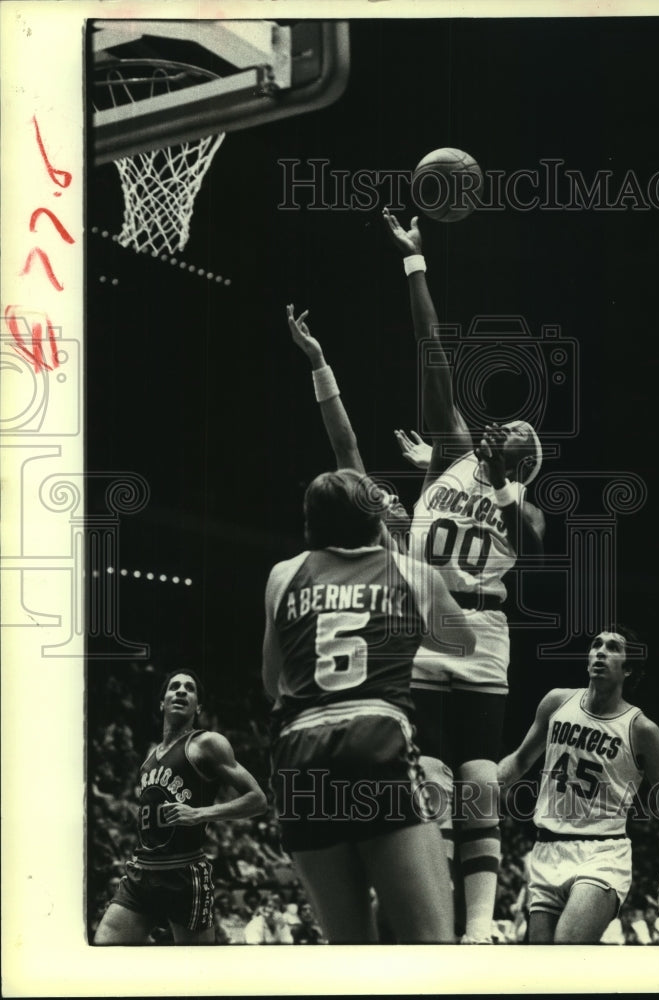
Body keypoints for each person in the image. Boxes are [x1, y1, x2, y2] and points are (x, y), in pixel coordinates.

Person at [383, 207, 546, 943]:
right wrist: (415, 263)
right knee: (433, 780)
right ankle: (434, 914)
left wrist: (511, 484)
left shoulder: (527, 509)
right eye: (502, 426)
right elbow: (432, 352)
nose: (498, 426)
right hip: (424, 616)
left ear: (525, 460)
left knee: (479, 779)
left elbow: (529, 540)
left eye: (515, 433)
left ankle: (479, 929)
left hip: (481, 628)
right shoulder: (450, 451)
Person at [262, 466, 477, 943]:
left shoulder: (283, 576)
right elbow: (463, 644)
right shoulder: (411, 573)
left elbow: (272, 683)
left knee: (349, 952)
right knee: (432, 943)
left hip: (298, 755)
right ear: (376, 522)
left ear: (310, 523)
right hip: (374, 740)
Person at [497, 628, 659, 943]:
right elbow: (519, 760)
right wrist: (483, 788)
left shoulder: (642, 730)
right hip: (546, 850)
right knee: (541, 971)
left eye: (613, 648)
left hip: (602, 853)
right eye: (596, 645)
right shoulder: (557, 702)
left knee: (565, 948)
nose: (600, 651)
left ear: (628, 669)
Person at [94, 669, 268, 944]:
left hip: (184, 875)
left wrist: (200, 813)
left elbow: (258, 799)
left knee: (196, 972)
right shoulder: (149, 758)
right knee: (105, 947)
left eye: (189, 688)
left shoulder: (207, 743)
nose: (181, 690)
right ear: (162, 702)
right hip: (143, 871)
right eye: (174, 686)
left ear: (198, 706)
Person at [286, 303, 410, 551]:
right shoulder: (388, 553)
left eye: (387, 498)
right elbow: (345, 446)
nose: (394, 498)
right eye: (383, 499)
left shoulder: (424, 562)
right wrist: (318, 361)